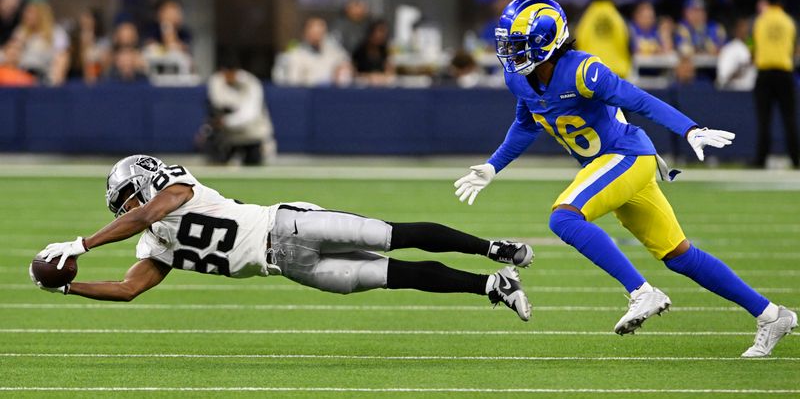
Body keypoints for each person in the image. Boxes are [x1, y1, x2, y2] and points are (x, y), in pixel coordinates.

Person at [454, 0, 796, 357]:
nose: (509, 52)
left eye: (517, 45)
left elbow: (638, 99)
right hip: (612, 166)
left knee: (564, 217)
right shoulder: (520, 79)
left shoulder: (582, 70)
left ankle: (641, 292)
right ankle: (771, 314)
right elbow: (526, 125)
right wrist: (493, 166)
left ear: (545, 41)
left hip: (626, 156)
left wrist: (689, 129)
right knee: (680, 255)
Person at [31, 155, 533, 321]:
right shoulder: (152, 244)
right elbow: (129, 288)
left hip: (287, 224)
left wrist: (81, 244)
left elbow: (147, 214)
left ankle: (495, 248)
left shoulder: (177, 189)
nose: (124, 209)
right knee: (391, 277)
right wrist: (68, 287)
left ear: (143, 183)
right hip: (290, 267)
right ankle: (493, 286)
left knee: (392, 236)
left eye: (126, 198)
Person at [752, 0, 798, 169]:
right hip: (784, 73)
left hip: (764, 74)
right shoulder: (789, 21)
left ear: (767, 2)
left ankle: (760, 160)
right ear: (781, 2)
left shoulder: (760, 21)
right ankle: (796, 160)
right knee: (789, 119)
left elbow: (752, 44)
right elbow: (793, 48)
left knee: (764, 120)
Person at [205, 56, 276, 165]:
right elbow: (216, 105)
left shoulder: (251, 83)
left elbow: (250, 115)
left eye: (230, 73)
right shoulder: (216, 82)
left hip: (251, 136)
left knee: (253, 166)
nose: (227, 77)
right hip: (227, 137)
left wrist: (226, 121)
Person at [272, 17, 352, 87]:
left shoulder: (336, 53)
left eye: (320, 33)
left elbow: (346, 74)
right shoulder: (292, 56)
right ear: (304, 33)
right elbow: (288, 83)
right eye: (314, 33)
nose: (317, 37)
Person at [574, 0, 631, 78]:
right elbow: (627, 40)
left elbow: (579, 39)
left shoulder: (586, 17)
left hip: (591, 70)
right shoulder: (618, 17)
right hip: (616, 70)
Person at [12, 2, 70, 85]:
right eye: (26, 12)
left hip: (44, 77)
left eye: (31, 12)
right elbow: (12, 56)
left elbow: (62, 58)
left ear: (41, 14)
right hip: (21, 77)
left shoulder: (56, 32)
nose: (27, 15)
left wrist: (55, 82)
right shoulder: (20, 32)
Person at [67, 8, 111, 84]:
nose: (86, 21)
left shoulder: (103, 40)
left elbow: (106, 64)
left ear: (95, 21)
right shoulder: (73, 39)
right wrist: (83, 46)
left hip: (98, 75)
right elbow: (73, 60)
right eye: (84, 18)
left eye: (89, 18)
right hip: (76, 74)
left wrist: (91, 46)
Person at [716, 18, 756, 91]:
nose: (746, 30)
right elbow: (723, 79)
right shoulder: (729, 50)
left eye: (747, 27)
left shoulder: (750, 48)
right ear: (735, 30)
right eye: (742, 27)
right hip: (733, 93)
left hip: (750, 92)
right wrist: (745, 66)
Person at [351, 20, 395, 86]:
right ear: (371, 33)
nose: (381, 36)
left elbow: (390, 72)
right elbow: (353, 73)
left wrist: (381, 77)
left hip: (382, 87)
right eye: (379, 32)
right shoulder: (359, 51)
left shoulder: (385, 51)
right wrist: (369, 77)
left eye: (384, 33)